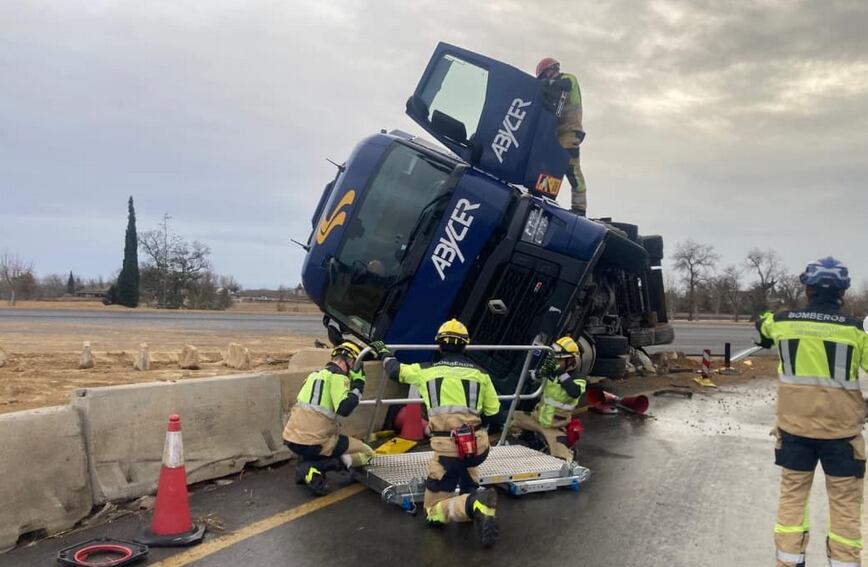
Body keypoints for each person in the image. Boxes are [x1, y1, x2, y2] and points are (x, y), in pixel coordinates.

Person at [756, 257, 868, 567]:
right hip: (843, 436)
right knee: (845, 507)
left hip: (795, 433)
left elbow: (763, 323)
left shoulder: (782, 321)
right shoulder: (856, 330)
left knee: (792, 501)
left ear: (807, 288)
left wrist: (765, 319)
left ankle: (789, 562)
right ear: (842, 292)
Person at [373, 319, 502, 547]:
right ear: (465, 346)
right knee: (465, 462)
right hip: (477, 448)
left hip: (447, 451)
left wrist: (385, 353)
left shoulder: (426, 371)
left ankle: (474, 505)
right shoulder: (481, 374)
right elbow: (494, 412)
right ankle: (471, 490)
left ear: (440, 346)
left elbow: (395, 371)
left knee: (433, 512)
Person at [282, 340, 374, 496]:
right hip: (314, 442)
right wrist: (358, 384)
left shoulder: (313, 376)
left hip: (292, 439)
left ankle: (305, 469)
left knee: (314, 441)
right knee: (367, 453)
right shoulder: (337, 377)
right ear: (351, 362)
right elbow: (345, 408)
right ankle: (314, 468)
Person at [511, 336, 586, 462]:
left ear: (571, 360)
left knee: (561, 460)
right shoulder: (552, 373)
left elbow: (574, 392)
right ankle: (535, 443)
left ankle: (569, 449)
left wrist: (560, 372)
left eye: (559, 359)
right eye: (554, 358)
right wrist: (539, 373)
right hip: (537, 419)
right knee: (508, 419)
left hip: (555, 426)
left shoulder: (577, 378)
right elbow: (528, 378)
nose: (555, 361)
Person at [536, 57, 587, 216]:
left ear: (552, 70)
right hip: (561, 133)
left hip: (570, 132)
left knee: (571, 169)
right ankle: (546, 197)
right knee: (553, 167)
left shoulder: (568, 79)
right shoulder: (556, 92)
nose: (545, 80)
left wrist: (546, 84)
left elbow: (563, 85)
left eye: (545, 76)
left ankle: (579, 208)